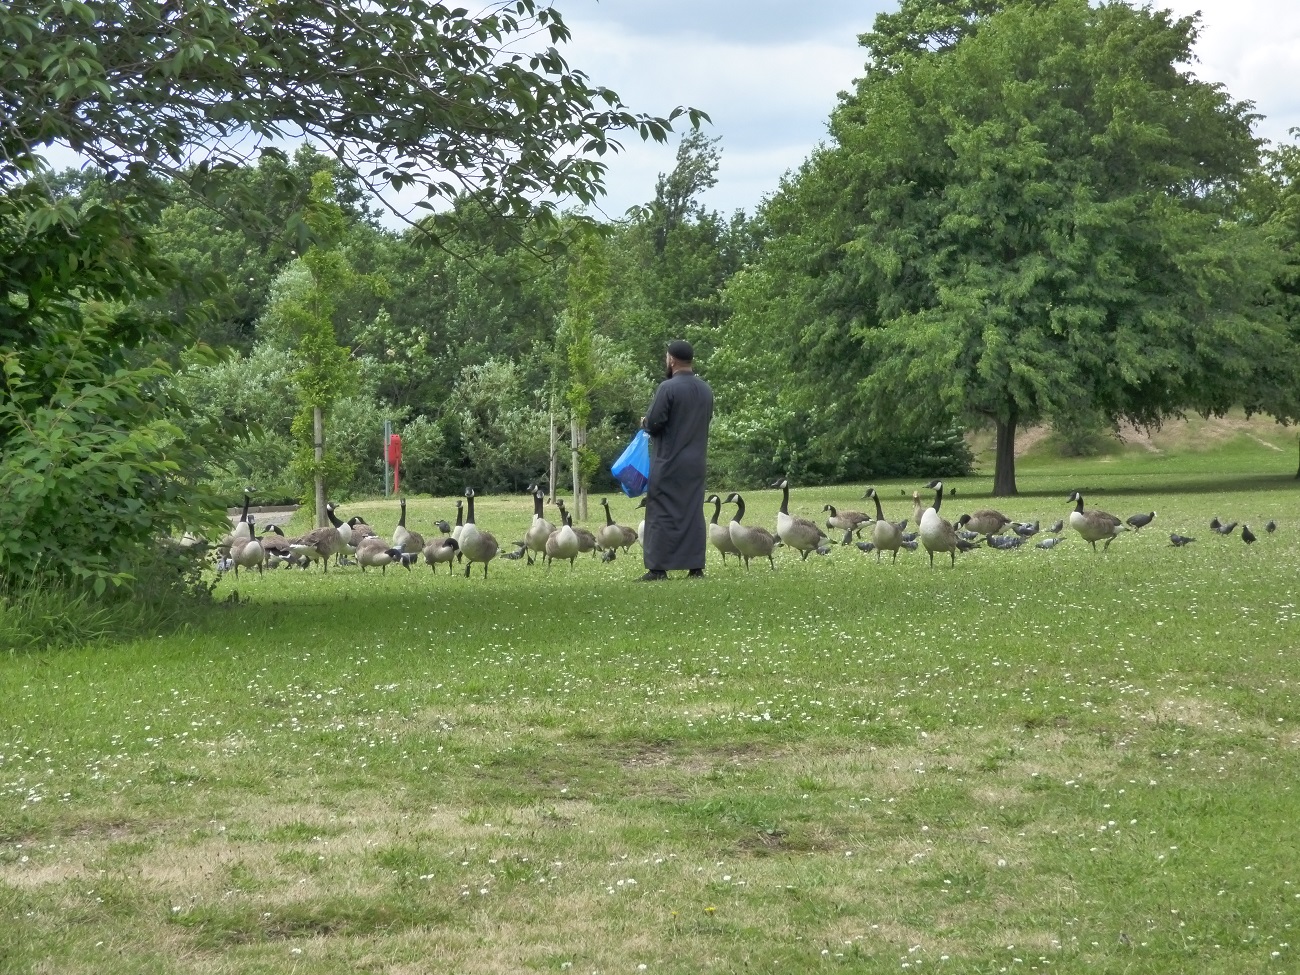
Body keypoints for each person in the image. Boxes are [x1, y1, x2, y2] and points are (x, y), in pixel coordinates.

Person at [638, 339, 713, 580]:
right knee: (692, 511)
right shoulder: (705, 390)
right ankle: (695, 567)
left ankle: (658, 568)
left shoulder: (667, 388)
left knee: (660, 510)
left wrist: (645, 423)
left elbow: (654, 422)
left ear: (671, 360)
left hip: (669, 460)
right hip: (696, 462)